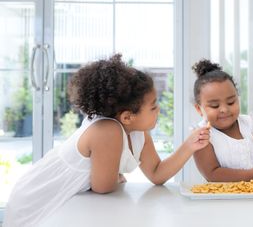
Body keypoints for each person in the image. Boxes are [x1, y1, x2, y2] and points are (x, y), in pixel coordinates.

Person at [4, 54, 210, 227]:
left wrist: (189, 145)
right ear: (127, 117)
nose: (159, 110)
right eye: (154, 106)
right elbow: (103, 186)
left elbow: (156, 174)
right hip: (39, 201)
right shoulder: (107, 131)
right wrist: (113, 177)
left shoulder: (138, 132)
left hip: (69, 202)